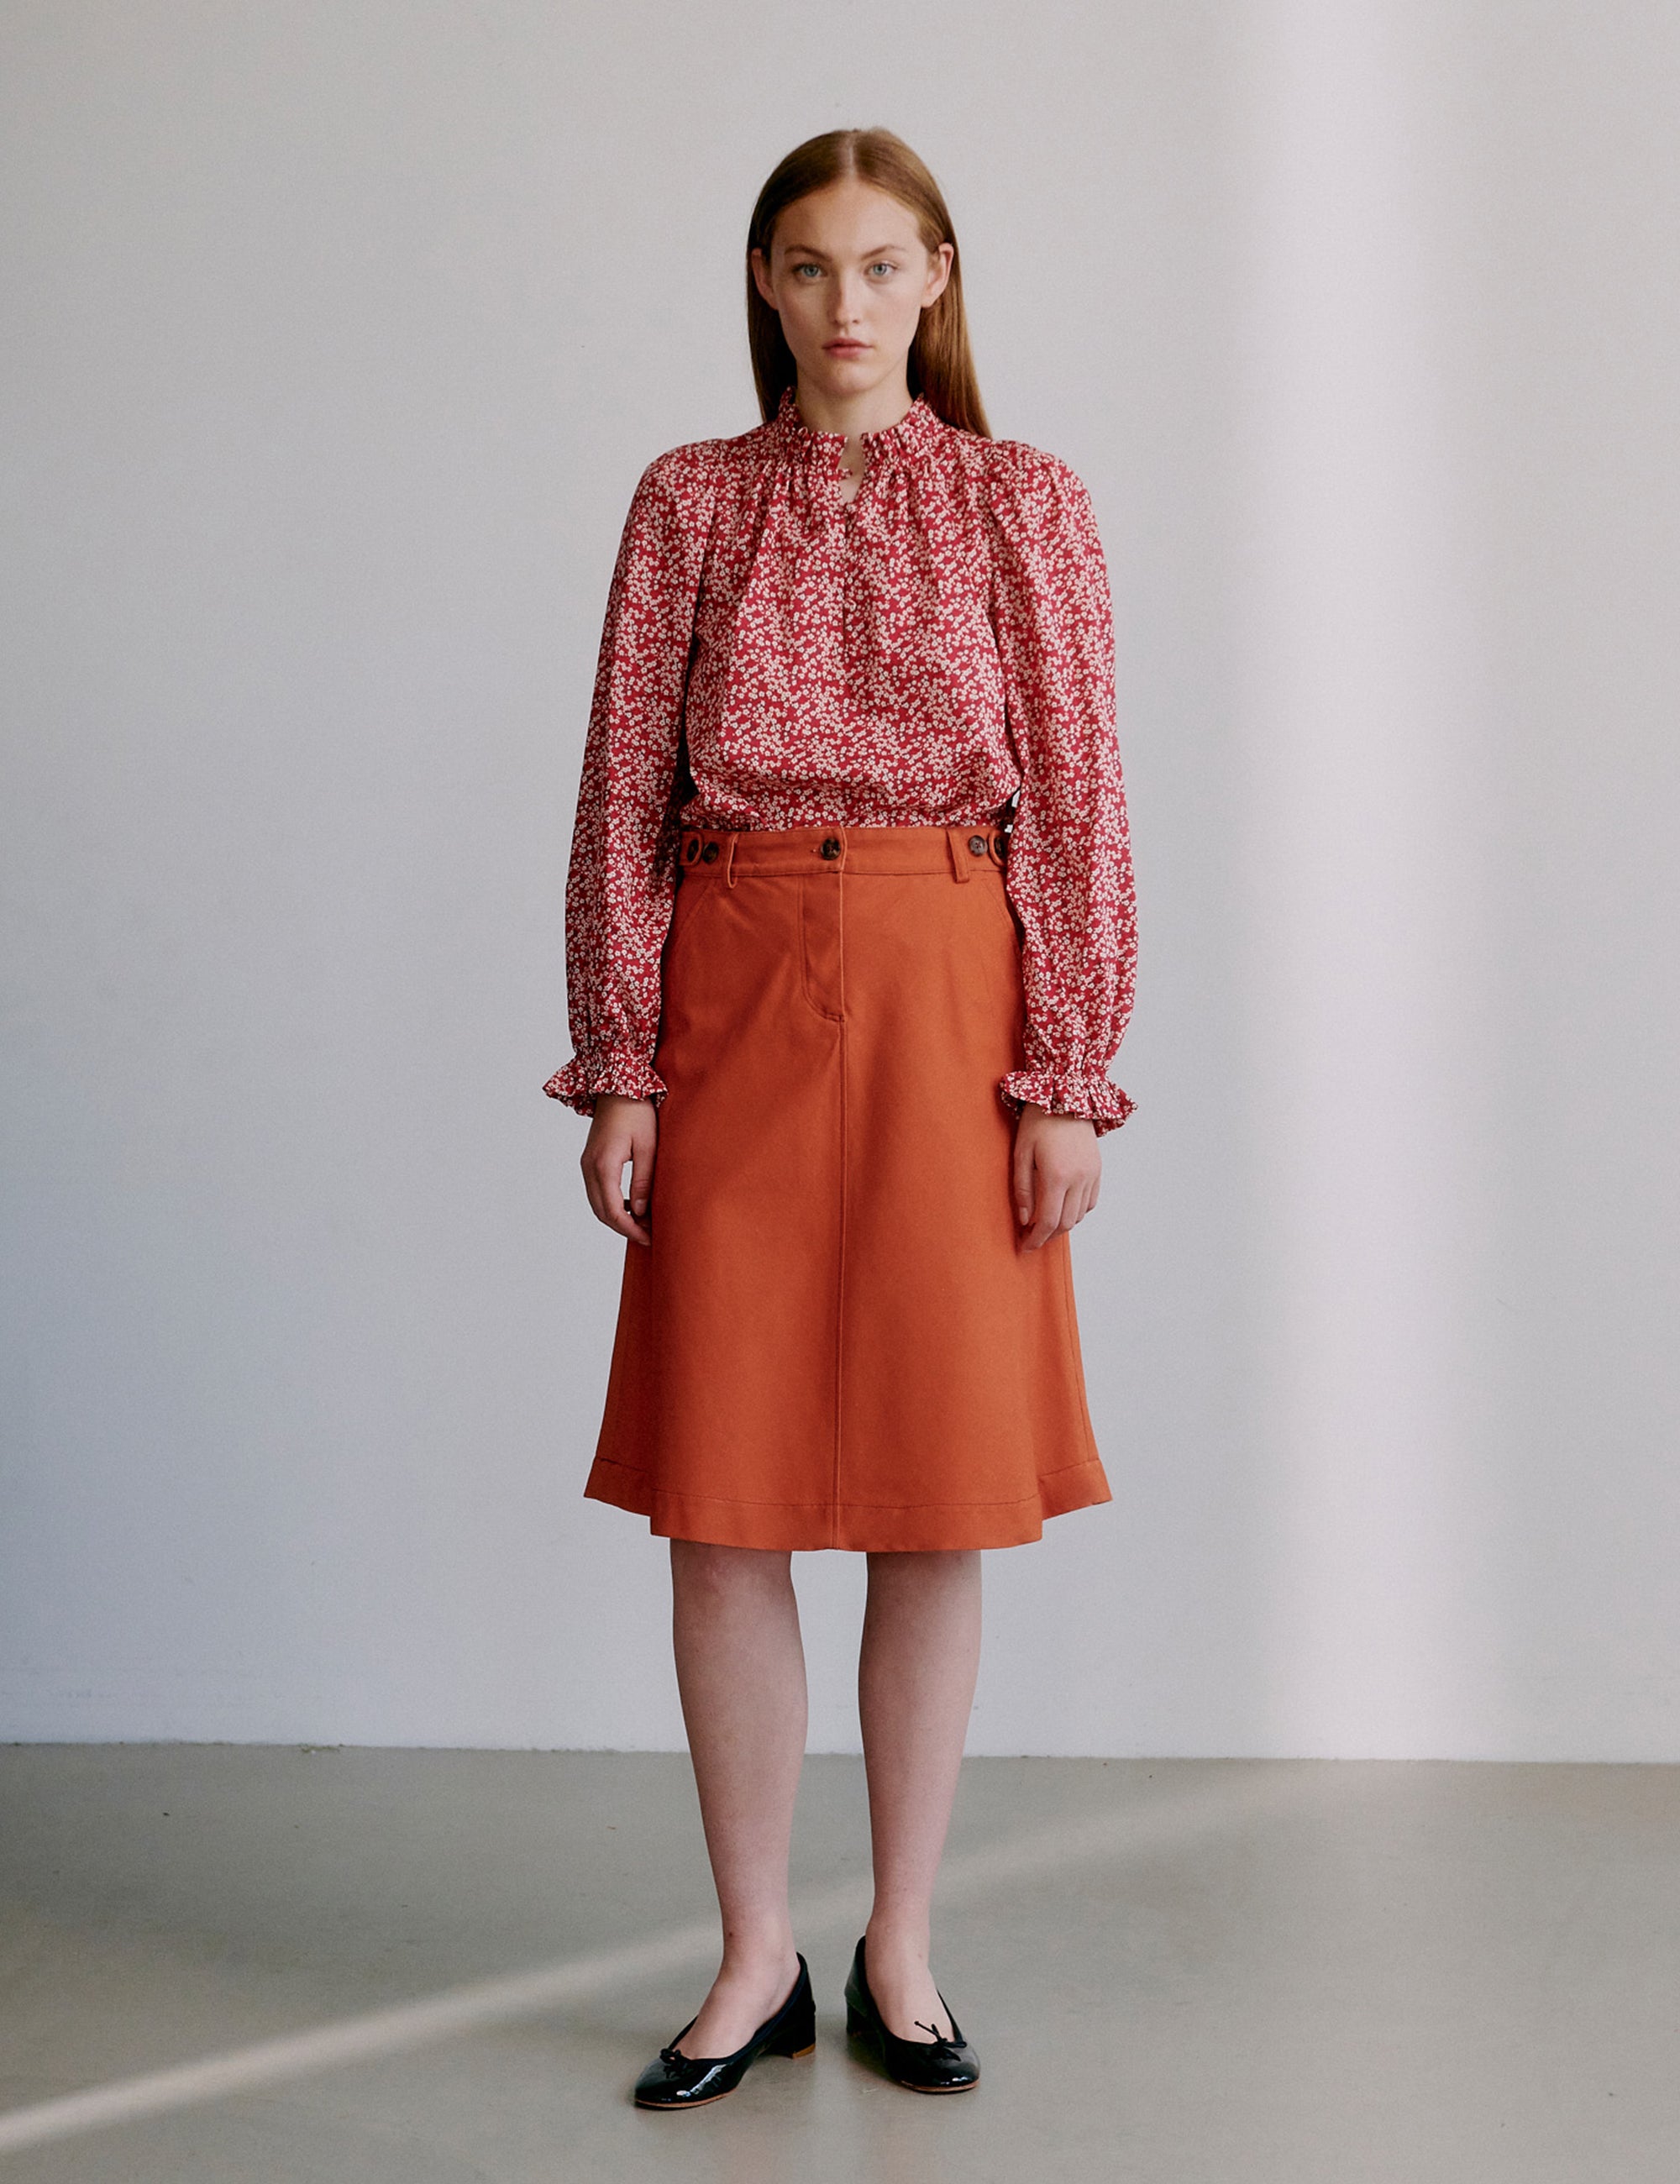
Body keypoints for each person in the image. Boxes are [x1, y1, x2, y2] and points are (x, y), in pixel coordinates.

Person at [543, 125, 1138, 2108]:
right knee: (721, 1496)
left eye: (883, 265)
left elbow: (1079, 796)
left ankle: (900, 1944)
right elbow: (621, 790)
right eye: (809, 266)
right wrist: (620, 1060)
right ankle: (750, 1957)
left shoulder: (1020, 502)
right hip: (731, 984)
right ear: (764, 284)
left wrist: (1065, 1073)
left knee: (930, 1484)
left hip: (951, 986)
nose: (847, 303)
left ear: (938, 278)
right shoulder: (690, 501)